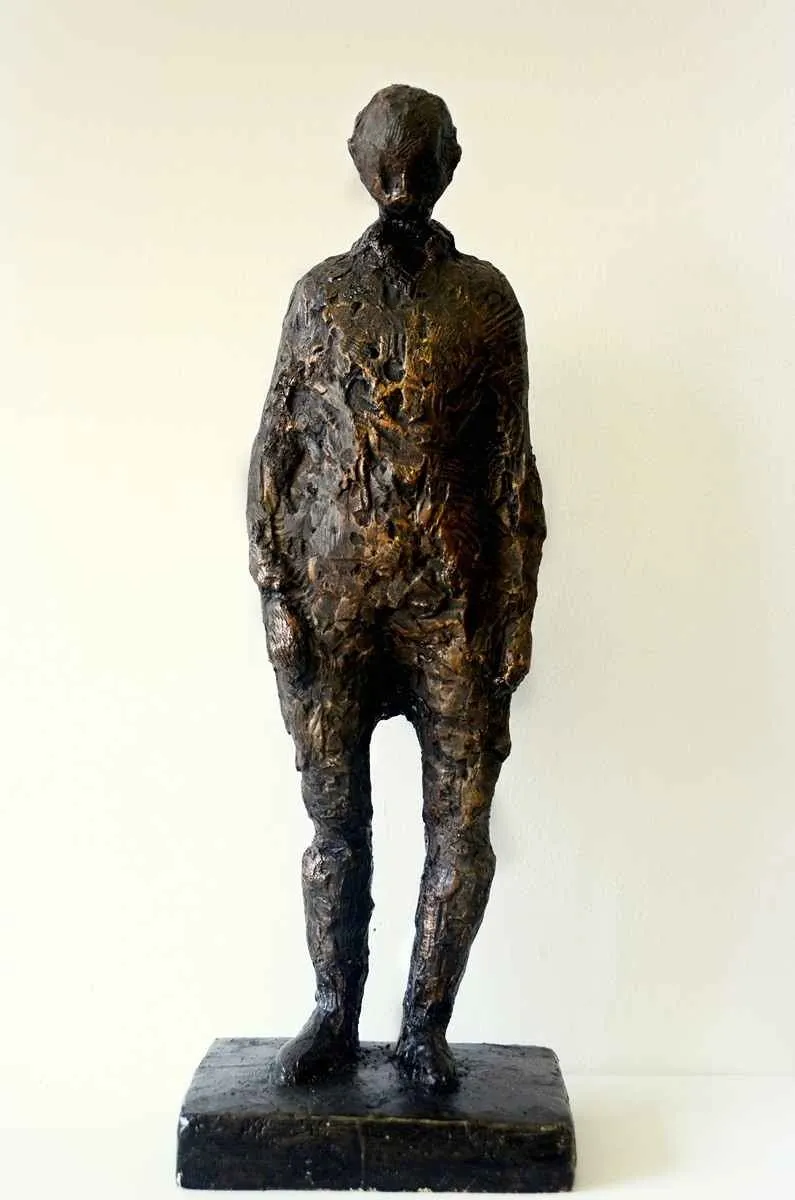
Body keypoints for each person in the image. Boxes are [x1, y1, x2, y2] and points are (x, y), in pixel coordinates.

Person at [247, 84, 545, 1091]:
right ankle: (335, 1015)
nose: (403, 177)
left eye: (420, 156)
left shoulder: (486, 301)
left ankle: (424, 1028)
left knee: (460, 825)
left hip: (454, 603)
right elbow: (276, 451)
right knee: (334, 824)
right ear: (358, 162)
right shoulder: (321, 296)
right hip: (332, 606)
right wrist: (275, 592)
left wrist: (516, 611)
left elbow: (510, 469)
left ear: (453, 161)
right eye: (385, 157)